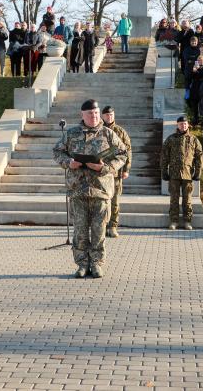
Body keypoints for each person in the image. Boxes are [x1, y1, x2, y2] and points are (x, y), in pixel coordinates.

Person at [52, 99, 128, 278]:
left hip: (101, 190)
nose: (93, 116)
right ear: (82, 115)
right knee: (80, 230)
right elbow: (57, 152)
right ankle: (82, 264)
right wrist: (69, 162)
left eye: (95, 113)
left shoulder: (108, 134)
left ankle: (97, 264)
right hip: (78, 189)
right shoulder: (72, 134)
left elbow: (122, 153)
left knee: (99, 230)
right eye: (89, 114)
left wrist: (104, 168)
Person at [160, 116, 203, 230]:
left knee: (187, 199)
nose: (183, 126)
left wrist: (198, 171)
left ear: (188, 125)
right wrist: (164, 170)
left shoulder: (194, 140)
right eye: (181, 124)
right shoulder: (170, 139)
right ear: (177, 125)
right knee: (174, 199)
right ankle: (174, 221)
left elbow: (199, 157)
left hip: (188, 174)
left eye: (185, 124)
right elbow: (164, 156)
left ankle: (187, 221)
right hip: (174, 174)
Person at [100, 106, 131, 238]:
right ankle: (102, 226)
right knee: (101, 201)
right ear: (102, 116)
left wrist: (126, 169)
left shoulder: (120, 131)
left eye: (111, 115)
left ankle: (113, 226)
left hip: (116, 172)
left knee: (115, 201)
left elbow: (128, 151)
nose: (109, 117)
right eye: (107, 115)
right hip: (100, 172)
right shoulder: (98, 130)